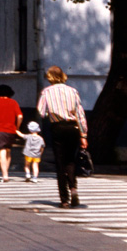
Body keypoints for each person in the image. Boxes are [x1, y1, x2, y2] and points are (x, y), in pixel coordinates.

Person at [36, 65, 88, 208]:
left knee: (60, 163)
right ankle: (73, 188)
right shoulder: (73, 91)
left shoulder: (46, 92)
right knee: (70, 160)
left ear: (50, 77)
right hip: (73, 128)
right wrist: (83, 135)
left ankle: (64, 200)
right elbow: (80, 114)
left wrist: (51, 113)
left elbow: (41, 112)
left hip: (57, 128)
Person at [0, 83, 24, 182]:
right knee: (8, 151)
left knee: (1, 152)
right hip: (11, 130)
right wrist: (17, 127)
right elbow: (20, 116)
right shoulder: (13, 102)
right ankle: (6, 172)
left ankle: (5, 175)